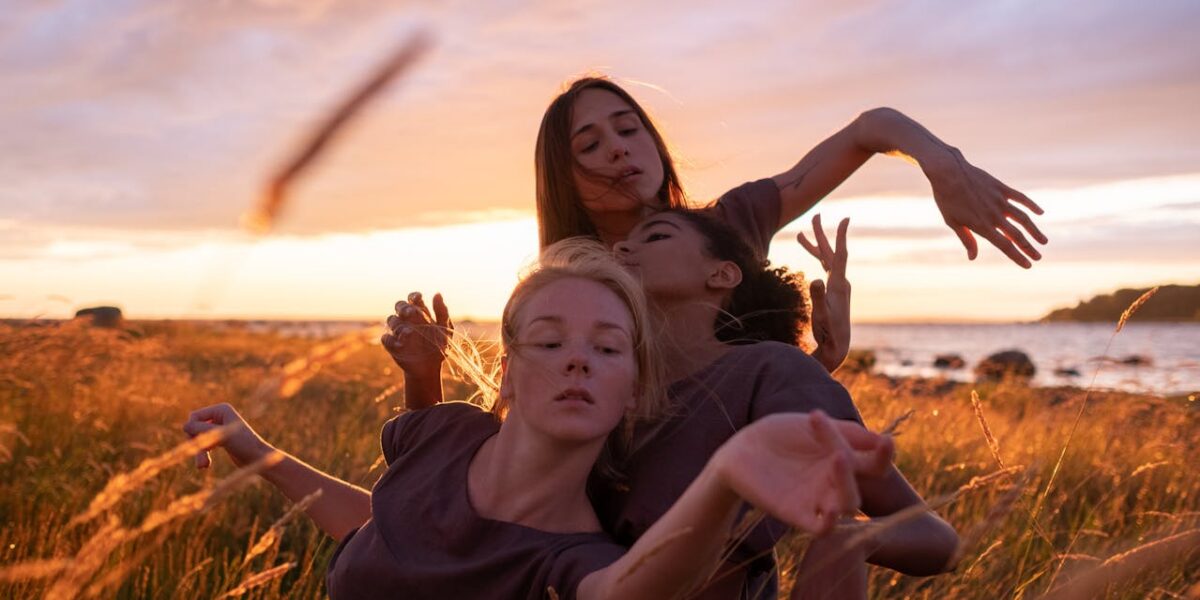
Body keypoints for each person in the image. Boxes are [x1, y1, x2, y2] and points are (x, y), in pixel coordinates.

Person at [184, 240, 895, 600]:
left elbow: (627, 593)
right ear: (507, 373)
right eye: (550, 342)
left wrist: (726, 475)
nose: (577, 361)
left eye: (607, 347)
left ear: (634, 392)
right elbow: (387, 529)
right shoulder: (445, 431)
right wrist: (255, 449)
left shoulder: (578, 558)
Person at [386, 211, 959, 599]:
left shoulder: (773, 371)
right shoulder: (612, 383)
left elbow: (938, 541)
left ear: (722, 274)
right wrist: (426, 378)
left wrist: (841, 533)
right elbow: (457, 489)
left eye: (655, 236)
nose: (624, 246)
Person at [397, 74, 1048, 396]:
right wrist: (424, 380)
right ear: (563, 178)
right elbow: (514, 432)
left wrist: (940, 159)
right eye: (590, 143)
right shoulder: (563, 286)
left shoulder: (725, 227)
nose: (621, 150)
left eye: (629, 129)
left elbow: (868, 128)